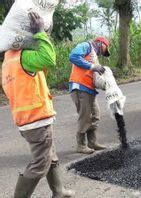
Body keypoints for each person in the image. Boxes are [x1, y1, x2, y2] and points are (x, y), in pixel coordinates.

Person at [1, 12, 74, 197]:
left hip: (27, 120)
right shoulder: (23, 56)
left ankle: (59, 191)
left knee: (50, 154)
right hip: (36, 120)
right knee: (41, 162)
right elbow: (49, 58)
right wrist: (41, 32)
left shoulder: (9, 59)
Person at [68, 36, 110, 154]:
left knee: (95, 115)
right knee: (85, 116)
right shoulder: (86, 46)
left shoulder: (95, 56)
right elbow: (73, 56)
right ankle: (81, 145)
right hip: (80, 87)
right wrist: (93, 66)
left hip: (89, 88)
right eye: (105, 49)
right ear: (101, 43)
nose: (103, 53)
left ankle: (92, 142)